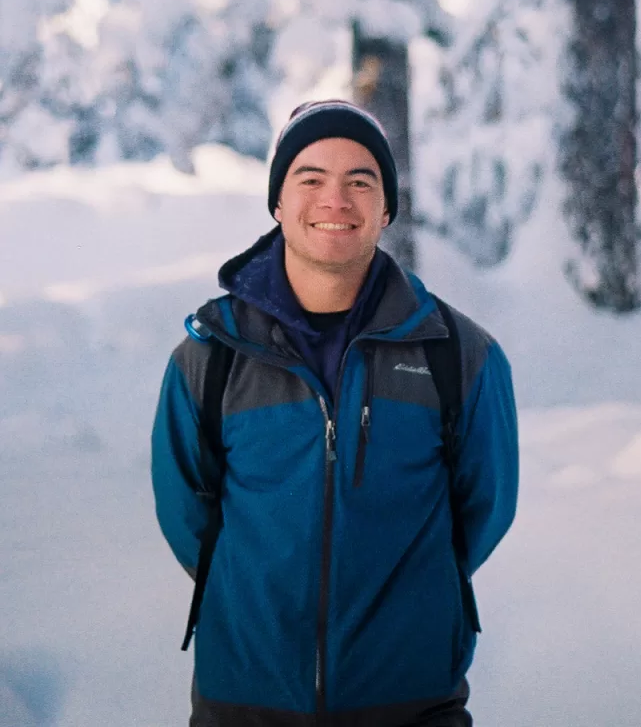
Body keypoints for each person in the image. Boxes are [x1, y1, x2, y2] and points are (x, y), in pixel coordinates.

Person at [151, 99, 518, 727]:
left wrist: (405, 600)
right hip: (244, 698)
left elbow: (482, 512)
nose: (335, 200)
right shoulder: (209, 357)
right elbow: (189, 519)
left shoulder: (460, 356)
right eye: (311, 178)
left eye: (360, 181)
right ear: (277, 202)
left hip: (410, 698)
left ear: (386, 208)